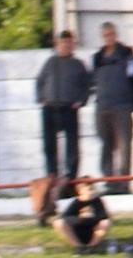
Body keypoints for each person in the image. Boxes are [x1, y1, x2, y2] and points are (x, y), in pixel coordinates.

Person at [91, 23, 133, 194]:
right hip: (103, 108)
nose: (108, 38)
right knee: (106, 145)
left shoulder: (127, 55)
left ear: (116, 34)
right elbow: (92, 81)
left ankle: (123, 184)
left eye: (111, 34)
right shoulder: (98, 58)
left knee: (124, 146)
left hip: (122, 107)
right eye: (105, 35)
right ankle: (109, 182)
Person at [36, 31, 92, 185]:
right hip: (50, 108)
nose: (66, 46)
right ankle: (52, 174)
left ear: (73, 45)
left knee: (72, 144)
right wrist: (42, 99)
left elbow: (87, 86)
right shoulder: (50, 62)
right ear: (57, 44)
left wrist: (80, 101)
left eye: (69, 43)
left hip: (69, 108)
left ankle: (71, 176)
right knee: (49, 144)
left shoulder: (78, 64)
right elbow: (40, 82)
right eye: (63, 43)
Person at [52, 179, 111, 255]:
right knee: (58, 223)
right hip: (77, 230)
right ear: (80, 191)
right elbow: (66, 217)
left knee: (106, 223)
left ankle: (91, 247)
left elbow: (104, 217)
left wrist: (90, 219)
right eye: (89, 189)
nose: (92, 192)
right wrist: (80, 219)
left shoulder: (97, 201)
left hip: (92, 230)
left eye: (93, 189)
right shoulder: (76, 202)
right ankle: (78, 247)